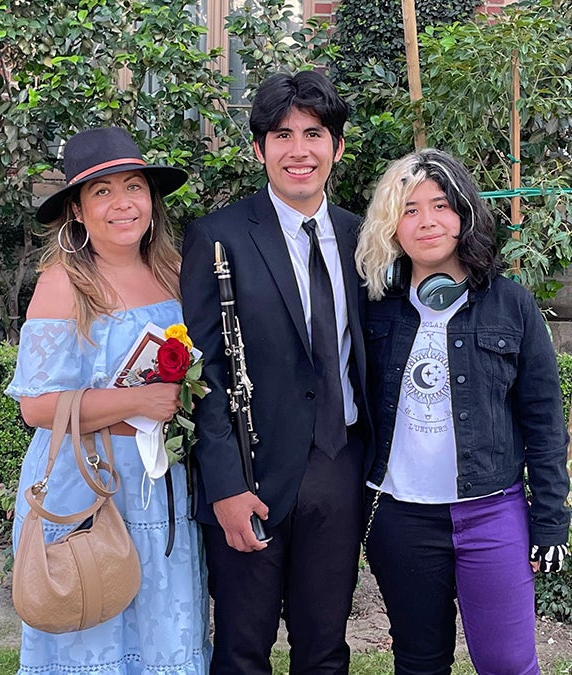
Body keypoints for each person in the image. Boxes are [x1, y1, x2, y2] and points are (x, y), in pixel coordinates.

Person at [179, 70, 370, 674]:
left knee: (325, 648)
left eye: (314, 133)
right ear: (260, 148)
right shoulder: (217, 237)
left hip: (340, 469)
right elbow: (203, 374)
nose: (299, 150)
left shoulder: (363, 236)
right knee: (242, 649)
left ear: (336, 147)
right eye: (282, 135)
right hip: (251, 472)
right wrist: (225, 487)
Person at [353, 149, 571, 675]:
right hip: (400, 516)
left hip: (490, 514)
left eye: (441, 205)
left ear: (464, 214)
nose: (427, 221)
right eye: (409, 209)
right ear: (392, 225)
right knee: (419, 662)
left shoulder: (511, 304)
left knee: (508, 663)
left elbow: (544, 423)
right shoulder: (373, 308)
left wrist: (550, 521)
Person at [5, 127, 210, 675]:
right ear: (76, 210)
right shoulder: (64, 284)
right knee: (90, 629)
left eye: (135, 187)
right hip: (88, 487)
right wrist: (137, 403)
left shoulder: (174, 272)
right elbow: (38, 408)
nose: (123, 204)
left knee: (165, 630)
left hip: (162, 485)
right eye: (102, 192)